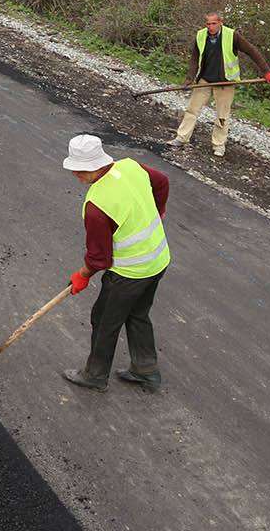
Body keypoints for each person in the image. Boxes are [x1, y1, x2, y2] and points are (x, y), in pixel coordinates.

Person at [60, 134, 170, 393]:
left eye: (80, 169)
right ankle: (146, 370)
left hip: (129, 273)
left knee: (104, 321)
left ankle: (95, 376)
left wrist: (82, 275)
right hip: (158, 260)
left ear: (97, 165)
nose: (75, 173)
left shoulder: (98, 205)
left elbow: (100, 258)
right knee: (138, 313)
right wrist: (159, 210)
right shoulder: (130, 167)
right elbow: (162, 182)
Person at [167, 12, 270, 158]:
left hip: (225, 82)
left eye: (213, 24)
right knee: (192, 109)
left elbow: (252, 51)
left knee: (222, 115)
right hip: (204, 79)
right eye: (208, 24)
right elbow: (194, 58)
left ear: (220, 23)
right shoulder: (200, 36)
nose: (211, 27)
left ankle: (218, 145)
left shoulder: (232, 36)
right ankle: (181, 138)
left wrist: (266, 71)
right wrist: (189, 78)